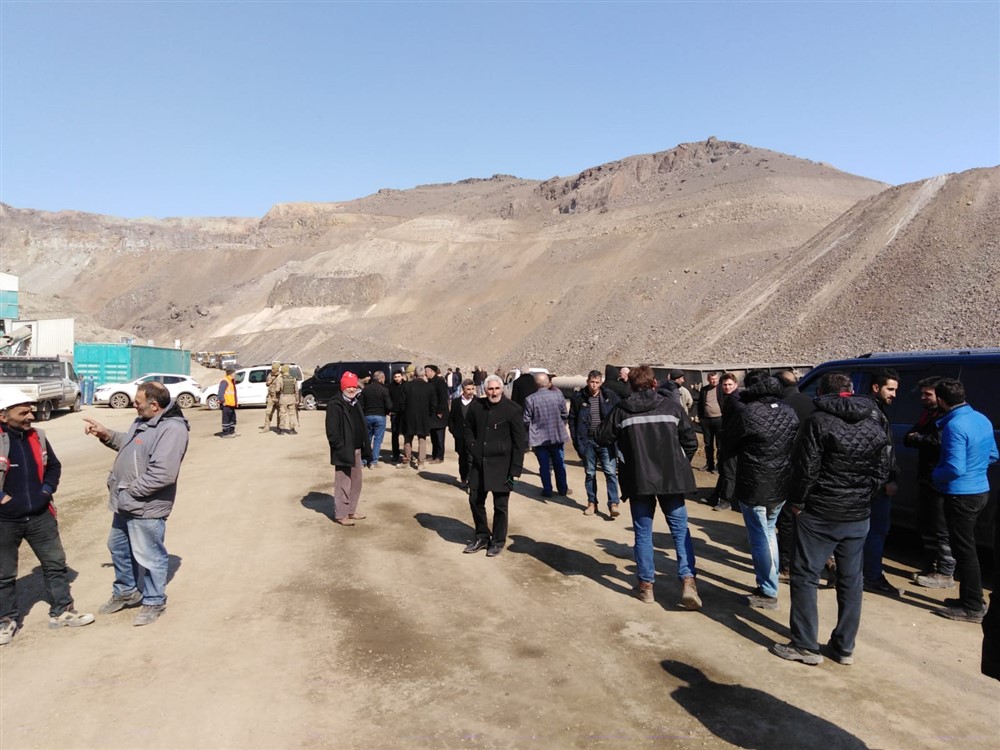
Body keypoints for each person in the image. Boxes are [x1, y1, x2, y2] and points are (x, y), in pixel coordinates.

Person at [772, 372, 890, 666]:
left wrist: (797, 503)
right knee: (852, 580)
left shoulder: (818, 421)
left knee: (805, 576)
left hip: (821, 513)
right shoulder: (875, 420)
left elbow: (806, 468)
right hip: (858, 514)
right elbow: (883, 467)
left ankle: (805, 645)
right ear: (851, 391)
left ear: (821, 393)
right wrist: (864, 497)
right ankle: (844, 646)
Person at [84, 381, 190, 627]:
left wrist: (131, 492)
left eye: (138, 402)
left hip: (145, 505)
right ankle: (126, 591)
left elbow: (163, 474)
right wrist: (106, 434)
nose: (134, 405)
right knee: (118, 547)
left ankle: (154, 601)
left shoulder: (172, 429)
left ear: (154, 405)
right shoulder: (144, 420)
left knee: (149, 554)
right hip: (126, 503)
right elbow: (131, 446)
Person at [596, 365, 702, 610]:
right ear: (654, 384)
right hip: (672, 480)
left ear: (630, 386)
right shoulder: (671, 406)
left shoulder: (622, 411)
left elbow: (602, 437)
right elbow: (690, 440)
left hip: (639, 480)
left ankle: (646, 587)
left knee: (643, 534)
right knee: (679, 531)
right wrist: (678, 461)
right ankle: (688, 581)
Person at [1, 389, 94, 645]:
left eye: (31, 409)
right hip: (5, 520)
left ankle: (62, 611)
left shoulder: (38, 437)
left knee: (55, 563)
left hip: (41, 515)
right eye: (24, 411)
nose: (31, 415)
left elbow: (54, 466)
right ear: (3, 415)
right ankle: (6, 620)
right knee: (4, 573)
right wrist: (2, 500)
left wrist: (45, 491)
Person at [728, 372, 799, 610]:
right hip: (781, 482)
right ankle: (770, 583)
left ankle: (768, 590)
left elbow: (731, 442)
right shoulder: (789, 411)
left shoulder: (748, 413)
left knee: (760, 537)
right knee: (769, 532)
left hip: (755, 483)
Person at [931, 378, 998, 623]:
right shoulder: (982, 419)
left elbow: (955, 468)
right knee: (967, 548)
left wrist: (935, 476)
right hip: (980, 491)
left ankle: (972, 606)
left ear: (940, 400)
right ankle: (969, 598)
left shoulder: (954, 426)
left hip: (961, 495)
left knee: (965, 551)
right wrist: (976, 469)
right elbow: (993, 455)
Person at [463, 375, 527, 557]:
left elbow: (519, 442)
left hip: (502, 466)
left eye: (496, 389)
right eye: (490, 389)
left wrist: (515, 469)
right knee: (475, 501)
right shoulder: (476, 407)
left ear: (502, 389)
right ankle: (482, 536)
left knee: (500, 506)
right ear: (485, 390)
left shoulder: (513, 410)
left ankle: (498, 541)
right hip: (479, 464)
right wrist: (472, 446)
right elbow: (468, 429)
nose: (493, 392)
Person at [903, 377, 954, 589]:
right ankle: (932, 566)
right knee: (927, 524)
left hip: (939, 479)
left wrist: (919, 438)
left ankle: (945, 572)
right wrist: (918, 438)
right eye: (922, 393)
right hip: (926, 477)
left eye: (928, 394)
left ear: (939, 397)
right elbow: (908, 437)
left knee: (941, 527)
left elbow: (937, 442)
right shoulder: (928, 415)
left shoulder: (947, 418)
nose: (923, 398)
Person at [862, 368, 901, 597]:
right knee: (877, 530)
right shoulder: (873, 414)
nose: (894, 394)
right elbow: (880, 452)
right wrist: (888, 479)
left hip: (869, 482)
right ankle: (872, 576)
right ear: (876, 387)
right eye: (890, 389)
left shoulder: (876, 410)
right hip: (876, 484)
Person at [776, 369, 817, 578]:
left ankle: (787, 565)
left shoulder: (781, 407)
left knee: (786, 519)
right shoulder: (811, 403)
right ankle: (822, 561)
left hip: (788, 467)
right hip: (812, 467)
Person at [569, 370, 621, 517]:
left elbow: (618, 415)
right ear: (587, 382)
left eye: (597, 382)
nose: (594, 385)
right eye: (592, 382)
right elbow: (572, 420)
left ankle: (613, 504)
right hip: (587, 441)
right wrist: (576, 440)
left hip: (606, 441)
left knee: (610, 472)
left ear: (601, 382)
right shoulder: (579, 398)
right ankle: (592, 503)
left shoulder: (609, 396)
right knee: (590, 473)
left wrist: (615, 434)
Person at [325, 372, 372, 526]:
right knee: (343, 483)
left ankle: (351, 510)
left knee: (356, 481)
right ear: (343, 387)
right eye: (349, 386)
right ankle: (341, 514)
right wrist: (339, 446)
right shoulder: (335, 404)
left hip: (357, 449)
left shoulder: (355, 402)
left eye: (353, 386)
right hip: (344, 450)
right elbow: (332, 431)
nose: (352, 389)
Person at [523, 372, 570, 498]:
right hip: (557, 436)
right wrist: (560, 426)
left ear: (536, 384)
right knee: (559, 464)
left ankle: (547, 490)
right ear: (548, 383)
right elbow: (565, 414)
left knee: (544, 466)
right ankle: (563, 489)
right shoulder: (558, 396)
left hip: (539, 438)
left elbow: (526, 420)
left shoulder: (530, 399)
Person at [711, 372, 742, 512]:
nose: (727, 387)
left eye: (730, 385)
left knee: (729, 472)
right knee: (723, 470)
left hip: (732, 442)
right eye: (725, 385)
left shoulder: (736, 400)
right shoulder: (727, 397)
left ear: (736, 385)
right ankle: (717, 495)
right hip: (726, 440)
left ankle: (726, 500)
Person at [359, 370, 392, 468]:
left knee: (367, 439)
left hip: (367, 416)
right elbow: (389, 405)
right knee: (377, 440)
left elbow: (361, 404)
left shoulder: (365, 389)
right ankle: (374, 461)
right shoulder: (384, 390)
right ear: (382, 378)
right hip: (380, 416)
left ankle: (364, 461)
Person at [402, 367, 433, 469]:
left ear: (414, 374)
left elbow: (402, 403)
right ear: (423, 374)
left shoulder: (406, 386)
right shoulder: (429, 387)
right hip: (423, 416)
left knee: (408, 438)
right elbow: (433, 403)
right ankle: (421, 463)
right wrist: (430, 415)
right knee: (422, 439)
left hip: (409, 415)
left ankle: (407, 460)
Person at [448, 380, 476, 488]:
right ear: (463, 390)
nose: (470, 391)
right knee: (463, 459)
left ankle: (471, 481)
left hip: (473, 437)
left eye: (472, 389)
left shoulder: (477, 402)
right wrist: (454, 432)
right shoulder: (456, 402)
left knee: (472, 459)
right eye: (468, 389)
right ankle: (463, 478)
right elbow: (451, 419)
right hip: (460, 437)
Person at [697, 372, 722, 473]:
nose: (714, 381)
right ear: (708, 379)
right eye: (712, 379)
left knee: (720, 444)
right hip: (706, 420)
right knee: (708, 444)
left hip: (719, 420)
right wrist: (701, 418)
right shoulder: (704, 390)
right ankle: (709, 464)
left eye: (715, 379)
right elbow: (700, 404)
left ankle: (719, 465)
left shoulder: (721, 389)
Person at [426, 365, 449, 463]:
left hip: (439, 414)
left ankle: (440, 457)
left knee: (439, 436)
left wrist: (440, 411)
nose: (425, 373)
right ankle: (434, 455)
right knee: (433, 436)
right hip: (431, 414)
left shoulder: (440, 381)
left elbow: (443, 397)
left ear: (432, 371)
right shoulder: (430, 382)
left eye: (426, 371)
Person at [388, 369, 407, 465]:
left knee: (406, 434)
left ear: (402, 376)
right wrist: (389, 409)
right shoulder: (390, 387)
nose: (397, 378)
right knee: (395, 434)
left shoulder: (406, 385)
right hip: (394, 413)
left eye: (398, 376)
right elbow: (388, 399)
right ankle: (395, 454)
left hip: (404, 413)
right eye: (395, 377)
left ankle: (407, 453)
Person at [276, 364, 300, 435]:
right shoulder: (293, 378)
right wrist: (297, 400)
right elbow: (296, 390)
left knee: (282, 414)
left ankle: (281, 430)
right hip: (292, 399)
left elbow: (277, 389)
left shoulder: (280, 379)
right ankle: (292, 429)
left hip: (283, 399)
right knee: (292, 414)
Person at [260, 361, 282, 432]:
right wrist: (270, 381)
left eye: (273, 368)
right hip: (271, 397)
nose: (272, 370)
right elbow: (267, 383)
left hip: (278, 397)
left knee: (280, 413)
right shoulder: (270, 375)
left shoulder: (281, 376)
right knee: (268, 412)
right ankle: (266, 427)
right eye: (272, 368)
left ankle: (279, 427)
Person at [218, 367, 238, 438]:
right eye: (234, 373)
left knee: (232, 419)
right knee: (226, 419)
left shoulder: (231, 381)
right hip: (226, 404)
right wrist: (223, 401)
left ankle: (231, 431)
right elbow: (220, 393)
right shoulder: (225, 381)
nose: (235, 375)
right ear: (231, 373)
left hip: (231, 404)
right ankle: (226, 433)